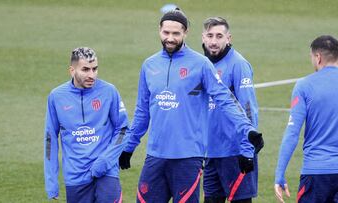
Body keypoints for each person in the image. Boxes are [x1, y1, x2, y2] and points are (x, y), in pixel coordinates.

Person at [119, 9, 264, 203]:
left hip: (188, 158)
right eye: (166, 33)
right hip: (155, 156)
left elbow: (226, 99)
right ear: (159, 31)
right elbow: (142, 112)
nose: (170, 38)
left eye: (176, 33)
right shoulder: (149, 65)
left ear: (185, 33)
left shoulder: (201, 64)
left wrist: (248, 131)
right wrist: (129, 146)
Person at [44, 47, 130, 202]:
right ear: (72, 70)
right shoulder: (56, 97)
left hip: (106, 173)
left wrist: (105, 160)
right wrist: (51, 182)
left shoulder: (109, 91)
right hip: (75, 177)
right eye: (85, 70)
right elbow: (50, 140)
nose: (92, 75)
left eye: (94, 69)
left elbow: (123, 129)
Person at [201, 17, 260, 203]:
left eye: (219, 36)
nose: (213, 41)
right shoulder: (203, 64)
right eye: (209, 35)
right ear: (203, 37)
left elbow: (249, 109)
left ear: (229, 38)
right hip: (210, 153)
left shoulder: (238, 65)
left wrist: (247, 150)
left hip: (235, 152)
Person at [274, 35, 338, 203]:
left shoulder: (305, 85)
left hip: (316, 174)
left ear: (318, 57)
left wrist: (279, 174)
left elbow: (292, 133)